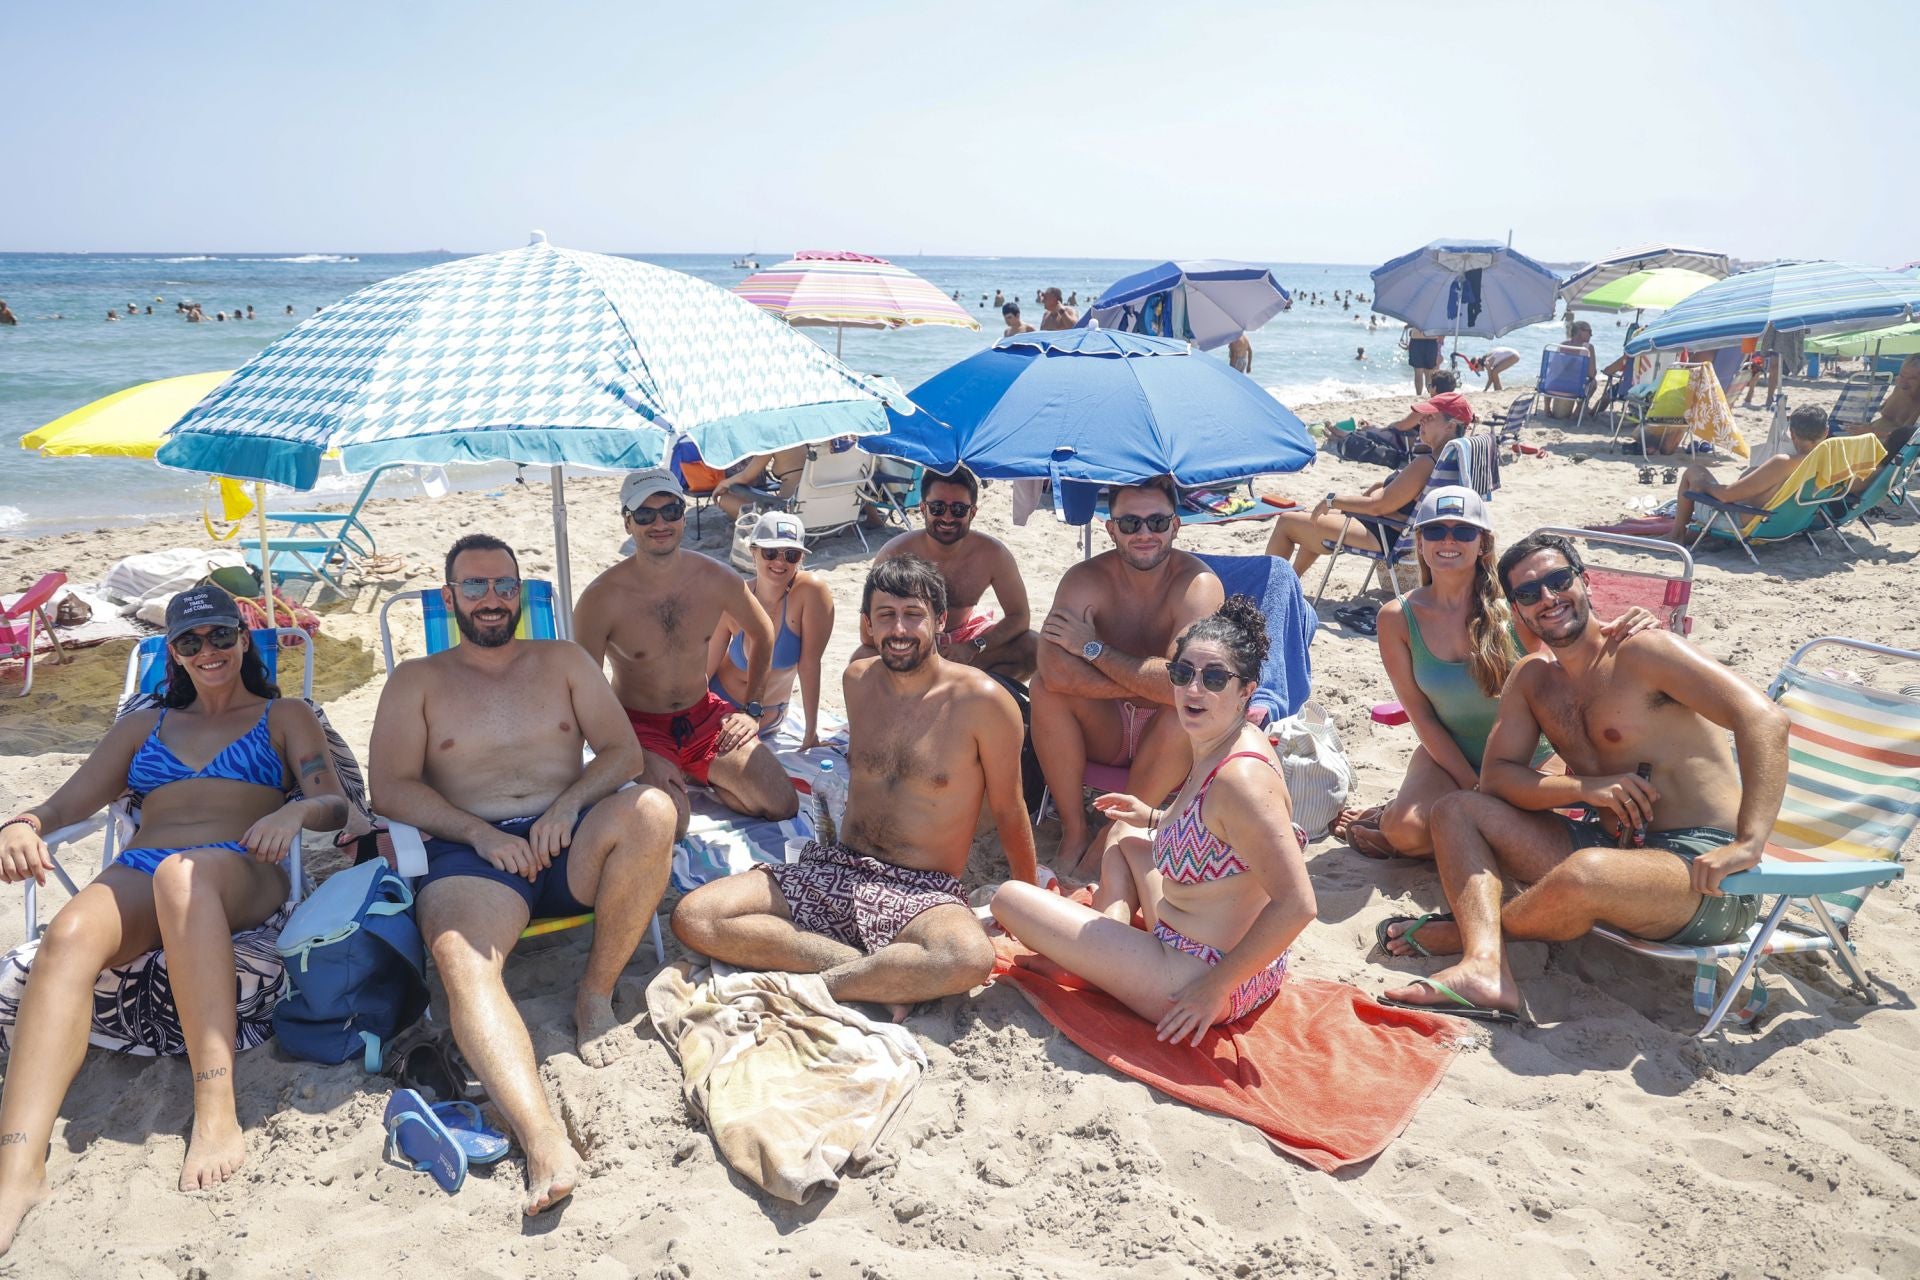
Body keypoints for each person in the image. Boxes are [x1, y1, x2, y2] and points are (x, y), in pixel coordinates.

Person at [0, 585, 348, 1246]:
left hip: (239, 863)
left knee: (180, 879)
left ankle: (214, 1106)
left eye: (221, 635)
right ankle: (18, 1164)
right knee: (69, 933)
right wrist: (20, 824)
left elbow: (333, 803)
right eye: (190, 642)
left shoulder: (284, 715)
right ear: (174, 654)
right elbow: (67, 803)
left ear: (244, 640)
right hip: (144, 866)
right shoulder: (144, 725)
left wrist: (293, 810)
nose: (208, 650)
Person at [369, 534, 678, 1214]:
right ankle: (541, 1137)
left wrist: (567, 808)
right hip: (474, 857)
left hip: (569, 840)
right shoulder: (417, 680)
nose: (491, 599)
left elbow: (623, 753)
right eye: (474, 588)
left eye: (504, 585)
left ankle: (593, 996)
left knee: (653, 812)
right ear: (449, 598)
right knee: (460, 962)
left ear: (521, 591)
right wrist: (478, 833)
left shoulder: (562, 660)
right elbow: (388, 788)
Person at [1378, 531, 1789, 1021]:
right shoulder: (1533, 679)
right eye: (1529, 594)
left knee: (1587, 871)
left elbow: (1764, 720)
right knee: (1457, 810)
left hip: (1705, 871)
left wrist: (1750, 843)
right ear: (1515, 610)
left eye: (1558, 580)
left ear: (1585, 580)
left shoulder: (1646, 650)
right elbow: (1498, 781)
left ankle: (1461, 932)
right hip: (1613, 846)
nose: (1548, 599)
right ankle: (1485, 967)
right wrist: (1585, 789)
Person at [672, 556, 1038, 1018]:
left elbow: (1010, 808)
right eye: (886, 616)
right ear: (867, 624)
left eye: (913, 615)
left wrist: (1029, 904)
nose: (899, 629)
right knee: (694, 916)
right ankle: (872, 973)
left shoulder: (984, 702)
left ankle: (824, 985)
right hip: (839, 869)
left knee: (967, 957)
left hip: (923, 890)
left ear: (940, 621)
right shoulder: (858, 681)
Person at [992, 599, 1315, 1041]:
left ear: (1246, 690)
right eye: (1183, 674)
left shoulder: (1241, 781)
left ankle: (1098, 958)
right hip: (1203, 939)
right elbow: (1222, 839)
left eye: (1214, 678)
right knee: (1124, 832)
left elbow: (1298, 904)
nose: (1194, 689)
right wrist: (1156, 817)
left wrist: (1212, 988)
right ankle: (1101, 955)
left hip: (1197, 976)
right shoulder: (1227, 739)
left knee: (1008, 897)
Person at [1333, 492, 1660, 860]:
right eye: (1436, 530)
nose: (1449, 540)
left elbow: (1590, 640)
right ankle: (1393, 817)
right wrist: (1473, 785)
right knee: (1406, 833)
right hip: (1450, 753)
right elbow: (1420, 715)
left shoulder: (1520, 603)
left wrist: (1638, 621)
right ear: (1420, 542)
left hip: (1531, 756)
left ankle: (1400, 819)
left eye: (1463, 532)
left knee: (1511, 838)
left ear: (1483, 542)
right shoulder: (1396, 618)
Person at [576, 468, 798, 823]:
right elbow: (584, 685)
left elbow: (763, 632)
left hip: (704, 717)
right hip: (638, 727)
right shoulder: (600, 599)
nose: (659, 523)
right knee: (670, 824)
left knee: (781, 803)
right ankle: (686, 773)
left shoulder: (715, 577)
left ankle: (699, 771)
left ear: (683, 516)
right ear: (627, 523)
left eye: (671, 511)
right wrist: (626, 748)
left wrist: (752, 709)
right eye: (645, 515)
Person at [1029, 477, 1225, 874]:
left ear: (1176, 525)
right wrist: (1152, 684)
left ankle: (1110, 835)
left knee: (1184, 712)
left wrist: (1093, 649)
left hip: (1169, 735)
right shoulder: (1086, 579)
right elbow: (1052, 670)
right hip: (1108, 723)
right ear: (1111, 528)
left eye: (1157, 521)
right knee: (1043, 689)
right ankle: (1075, 830)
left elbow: (1185, 684)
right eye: (1131, 524)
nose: (1145, 533)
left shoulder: (1198, 585)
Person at [865, 464, 1038, 680]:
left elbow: (1019, 616)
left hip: (967, 641)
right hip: (911, 642)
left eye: (958, 510)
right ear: (923, 509)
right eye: (937, 507)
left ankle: (978, 702)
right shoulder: (895, 553)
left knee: (1033, 646)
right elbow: (869, 629)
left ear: (972, 513)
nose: (947, 518)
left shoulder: (993, 554)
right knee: (862, 658)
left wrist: (974, 646)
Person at [1263, 395, 1470, 575]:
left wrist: (1332, 500)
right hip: (1397, 528)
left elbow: (1377, 506)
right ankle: (1290, 583)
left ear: (1450, 425)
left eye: (1429, 417)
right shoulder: (1449, 461)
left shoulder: (1426, 462)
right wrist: (1384, 485)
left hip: (1384, 532)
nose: (1421, 421)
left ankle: (1268, 591)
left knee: (1287, 521)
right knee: (1311, 518)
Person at [705, 511, 834, 750]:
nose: (780, 561)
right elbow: (705, 669)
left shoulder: (810, 592)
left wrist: (811, 734)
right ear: (753, 551)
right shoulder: (736, 597)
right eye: (770, 552)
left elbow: (810, 665)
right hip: (719, 704)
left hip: (766, 715)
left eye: (791, 555)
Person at [1661, 406, 1829, 542]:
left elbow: (1727, 496)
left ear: (1791, 434)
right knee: (1751, 472)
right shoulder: (1829, 461)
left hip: (1740, 521)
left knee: (1694, 471)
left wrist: (1703, 486)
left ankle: (1677, 534)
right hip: (1790, 522)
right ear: (1826, 432)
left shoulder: (1784, 462)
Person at [1844, 353, 1920, 455]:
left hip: (1887, 453)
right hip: (1870, 439)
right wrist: (1865, 429)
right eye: (1901, 375)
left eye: (1912, 379)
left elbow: (1909, 438)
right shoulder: (1901, 387)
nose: (1903, 383)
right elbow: (1886, 417)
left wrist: (1872, 432)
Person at [711, 445, 808, 522]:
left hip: (787, 511)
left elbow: (746, 477)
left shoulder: (774, 442)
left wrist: (723, 484)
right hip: (813, 508)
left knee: (725, 499)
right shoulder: (810, 441)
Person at [1545, 321, 1598, 418]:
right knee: (1593, 383)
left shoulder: (1562, 345)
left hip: (1552, 388)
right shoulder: (1588, 348)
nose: (1591, 335)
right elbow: (1591, 374)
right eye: (1589, 331)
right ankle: (1577, 411)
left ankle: (1547, 408)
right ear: (1580, 331)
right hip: (1575, 390)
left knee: (1550, 375)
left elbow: (1552, 368)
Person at [1406, 326, 1440, 395]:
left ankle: (1429, 394)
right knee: (1419, 372)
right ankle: (1419, 394)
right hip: (1418, 339)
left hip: (1429, 340)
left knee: (1428, 372)